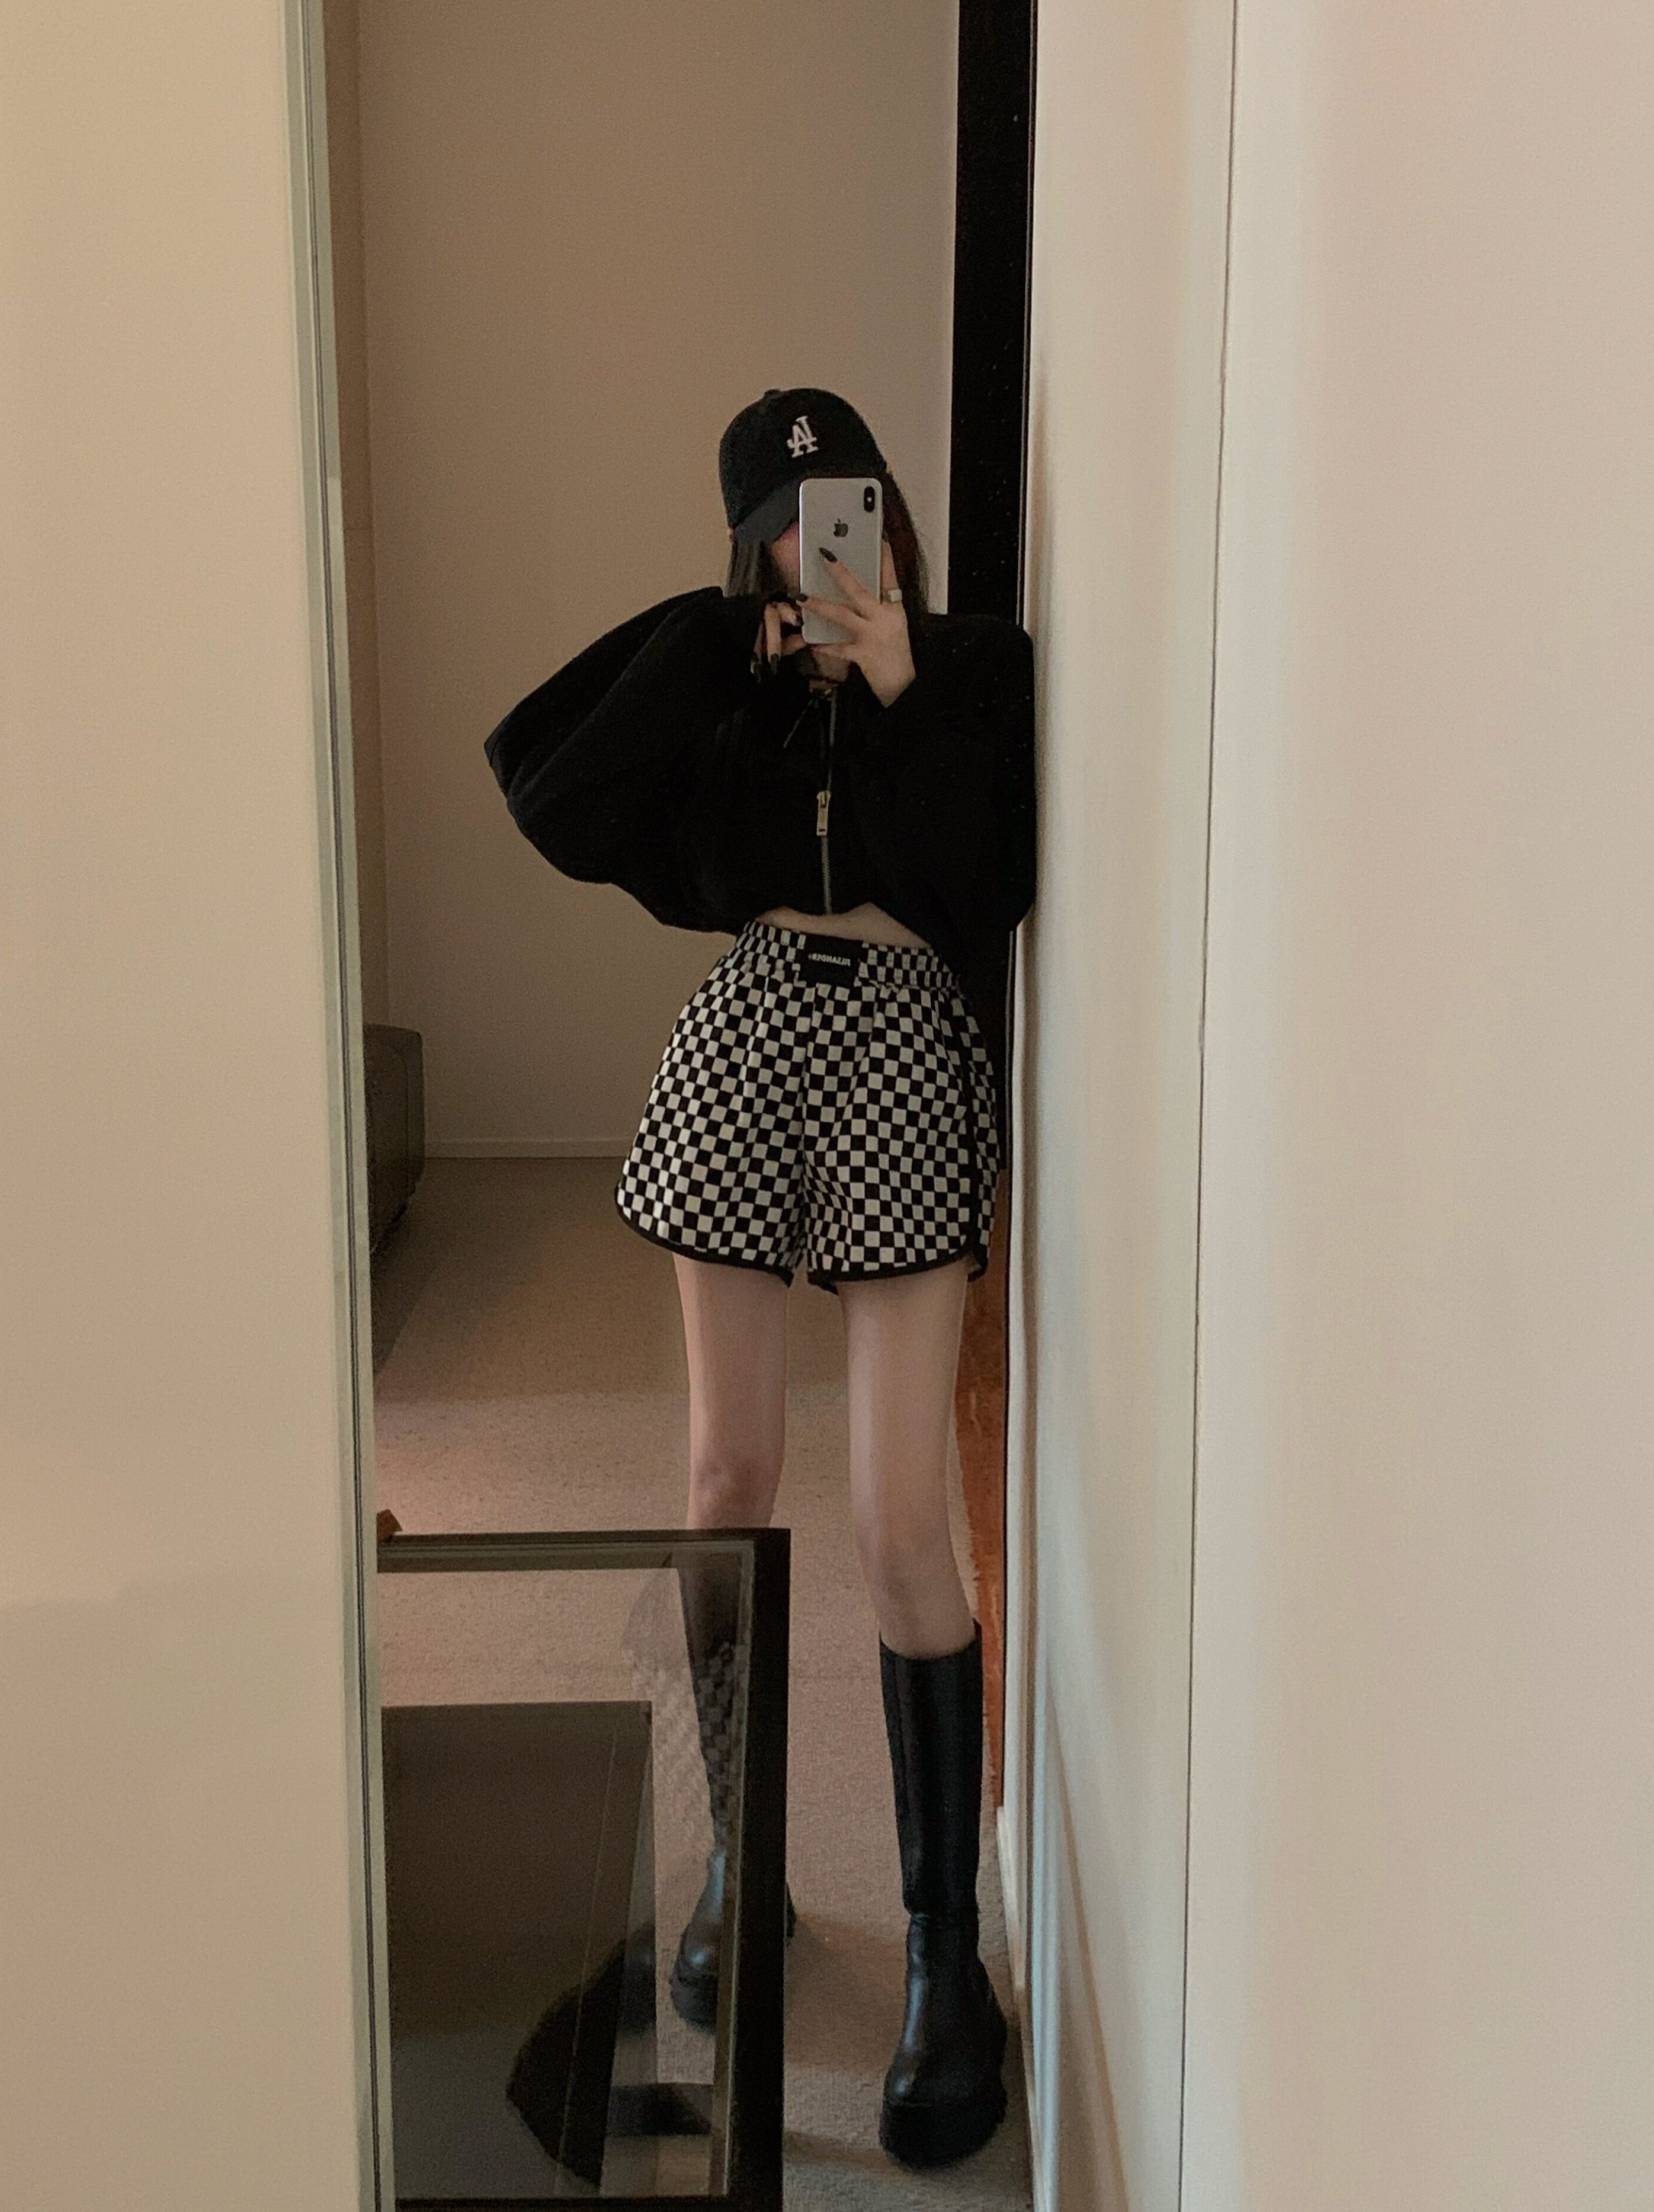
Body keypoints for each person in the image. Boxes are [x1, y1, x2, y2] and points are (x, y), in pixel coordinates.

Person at [485, 388, 1034, 2168]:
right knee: (724, 1475)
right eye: (789, 519)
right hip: (742, 1042)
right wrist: (728, 639)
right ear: (751, 543)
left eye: (847, 501)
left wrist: (900, 683)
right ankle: (744, 1860)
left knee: (896, 1518)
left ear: (891, 508)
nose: (825, 538)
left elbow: (989, 879)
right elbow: (550, 786)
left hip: (905, 1051)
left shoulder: (975, 666)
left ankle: (943, 1954)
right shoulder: (728, 675)